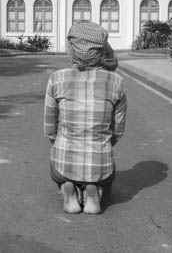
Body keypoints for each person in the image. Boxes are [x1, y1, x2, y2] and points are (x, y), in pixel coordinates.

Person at [44, 20, 127, 214]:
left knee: (58, 169)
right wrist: (103, 142)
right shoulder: (117, 81)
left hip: (64, 161)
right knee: (107, 179)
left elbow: (49, 129)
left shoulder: (56, 78)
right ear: (102, 50)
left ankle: (67, 187)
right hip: (100, 162)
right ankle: (96, 190)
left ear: (71, 50)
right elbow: (119, 130)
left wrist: (62, 142)